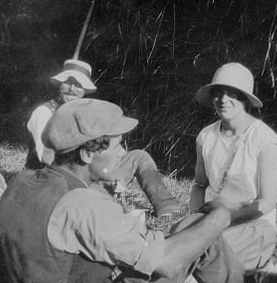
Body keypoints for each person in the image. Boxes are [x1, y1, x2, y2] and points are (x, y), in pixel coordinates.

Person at [0, 98, 277, 283]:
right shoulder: (83, 204)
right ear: (86, 155)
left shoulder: (23, 181)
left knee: (193, 224)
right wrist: (222, 215)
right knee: (203, 235)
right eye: (118, 145)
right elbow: (167, 263)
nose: (124, 153)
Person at [25, 59, 184, 218]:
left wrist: (106, 170)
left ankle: (166, 206)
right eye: (67, 82)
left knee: (138, 156)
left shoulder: (85, 111)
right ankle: (123, 206)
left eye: (78, 84)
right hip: (62, 182)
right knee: (118, 202)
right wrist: (103, 176)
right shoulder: (44, 113)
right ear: (59, 84)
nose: (72, 88)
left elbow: (102, 151)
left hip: (91, 172)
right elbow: (46, 157)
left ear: (85, 90)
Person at [190, 62, 277, 270]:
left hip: (251, 223)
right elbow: (199, 184)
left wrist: (222, 221)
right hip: (211, 219)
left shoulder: (265, 140)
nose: (224, 100)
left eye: (233, 94)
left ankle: (261, 265)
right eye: (218, 93)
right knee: (177, 247)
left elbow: (267, 202)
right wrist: (195, 221)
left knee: (203, 265)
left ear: (246, 100)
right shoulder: (206, 136)